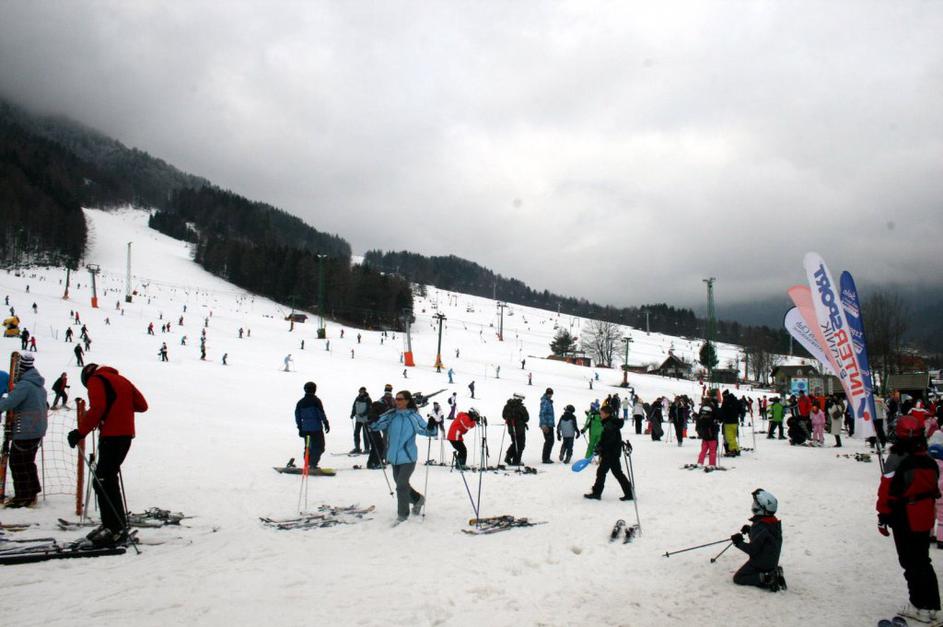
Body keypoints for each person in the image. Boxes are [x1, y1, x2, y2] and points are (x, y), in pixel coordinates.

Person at [66, 363, 148, 545]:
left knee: (102, 481)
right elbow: (142, 406)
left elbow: (98, 407)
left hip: (112, 435)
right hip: (126, 435)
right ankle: (114, 525)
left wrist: (80, 432)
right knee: (108, 479)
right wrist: (120, 407)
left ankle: (114, 528)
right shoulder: (122, 379)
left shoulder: (96, 380)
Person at [877, 414, 941, 622]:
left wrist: (882, 515)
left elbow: (886, 491)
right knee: (922, 559)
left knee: (910, 561)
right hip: (925, 514)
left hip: (904, 516)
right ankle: (932, 605)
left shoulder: (896, 459)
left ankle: (919, 605)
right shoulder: (928, 459)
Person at [369, 390, 436, 523]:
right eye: (396, 399)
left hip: (408, 457)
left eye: (400, 399)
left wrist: (431, 426)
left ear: (407, 401)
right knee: (402, 485)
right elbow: (375, 427)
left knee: (401, 485)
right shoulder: (391, 415)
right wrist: (373, 418)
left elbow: (427, 431)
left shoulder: (413, 417)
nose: (397, 401)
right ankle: (418, 499)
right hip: (394, 457)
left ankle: (402, 515)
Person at [0, 353, 48, 507]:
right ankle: (31, 491)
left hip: (26, 429)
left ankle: (23, 496)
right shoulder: (38, 385)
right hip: (36, 428)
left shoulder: (25, 385)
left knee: (18, 462)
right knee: (27, 461)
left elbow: (9, 403)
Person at [731, 489, 785, 591]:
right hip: (772, 561)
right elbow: (764, 540)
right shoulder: (773, 522)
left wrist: (738, 543)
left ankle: (767, 578)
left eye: (756, 503)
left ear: (761, 508)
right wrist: (750, 530)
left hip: (761, 563)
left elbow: (752, 550)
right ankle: (773, 572)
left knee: (738, 578)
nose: (753, 505)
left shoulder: (760, 526)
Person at [583, 406, 633, 501]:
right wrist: (600, 446)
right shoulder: (610, 422)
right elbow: (606, 439)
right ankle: (629, 493)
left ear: (607, 414)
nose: (600, 415)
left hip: (610, 453)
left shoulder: (610, 424)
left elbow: (609, 441)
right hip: (612, 452)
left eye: (601, 413)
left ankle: (597, 493)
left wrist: (600, 447)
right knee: (617, 473)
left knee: (602, 472)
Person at [295, 382, 330, 469]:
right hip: (316, 429)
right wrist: (326, 423)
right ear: (314, 390)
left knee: (308, 447)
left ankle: (308, 463)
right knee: (319, 447)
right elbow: (321, 413)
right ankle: (312, 464)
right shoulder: (316, 401)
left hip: (305, 428)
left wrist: (300, 428)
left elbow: (297, 416)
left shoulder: (300, 402)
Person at [502, 396, 529, 465]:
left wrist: (511, 417)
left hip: (511, 429)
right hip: (520, 429)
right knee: (520, 445)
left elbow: (504, 416)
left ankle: (509, 456)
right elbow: (526, 418)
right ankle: (516, 460)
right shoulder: (521, 407)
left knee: (515, 443)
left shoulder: (507, 406)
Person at [695, 403, 720, 468]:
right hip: (712, 438)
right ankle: (712, 464)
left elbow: (698, 428)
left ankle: (700, 462)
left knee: (703, 451)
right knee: (712, 451)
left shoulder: (701, 419)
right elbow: (715, 429)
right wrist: (717, 426)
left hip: (705, 438)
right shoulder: (711, 420)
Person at [350, 386, 372, 454]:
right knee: (356, 433)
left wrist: (364, 414)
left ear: (365, 391)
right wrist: (352, 414)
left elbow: (369, 408)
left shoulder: (368, 399)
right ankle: (357, 448)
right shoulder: (357, 398)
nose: (361, 393)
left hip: (365, 419)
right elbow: (354, 407)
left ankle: (367, 448)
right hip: (358, 419)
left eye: (363, 391)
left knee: (365, 434)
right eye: (360, 391)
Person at [539, 388, 556, 464]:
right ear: (546, 393)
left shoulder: (548, 401)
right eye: (549, 394)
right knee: (549, 441)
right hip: (546, 425)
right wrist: (543, 425)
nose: (550, 395)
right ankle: (545, 458)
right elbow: (542, 413)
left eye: (551, 394)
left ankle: (546, 457)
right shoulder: (545, 402)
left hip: (550, 424)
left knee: (550, 441)